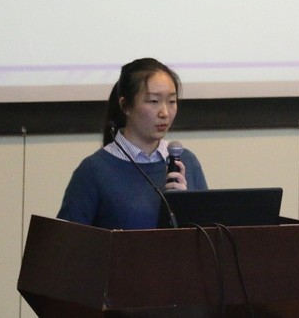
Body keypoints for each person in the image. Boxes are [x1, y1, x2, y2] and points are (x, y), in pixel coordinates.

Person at [57, 58, 208, 229]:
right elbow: (66, 241)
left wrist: (187, 207)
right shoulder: (94, 170)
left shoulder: (187, 162)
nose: (165, 113)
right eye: (153, 101)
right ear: (125, 106)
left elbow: (210, 236)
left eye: (172, 101)